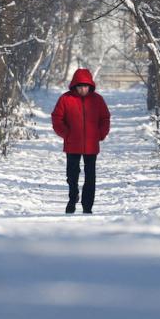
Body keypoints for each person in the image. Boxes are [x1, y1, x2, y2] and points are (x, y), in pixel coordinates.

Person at [50, 67, 110, 214]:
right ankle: (72, 198)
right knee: (72, 174)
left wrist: (99, 134)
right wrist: (66, 134)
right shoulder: (66, 99)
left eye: (85, 86)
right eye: (80, 86)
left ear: (90, 85)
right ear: (75, 86)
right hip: (72, 144)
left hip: (91, 145)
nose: (83, 89)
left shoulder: (98, 100)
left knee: (90, 176)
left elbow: (105, 118)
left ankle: (87, 205)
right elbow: (57, 118)